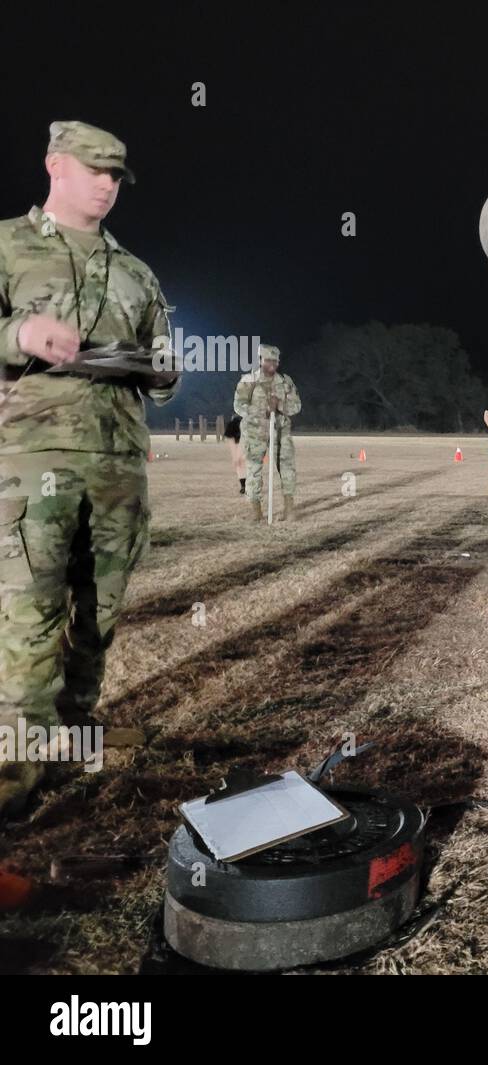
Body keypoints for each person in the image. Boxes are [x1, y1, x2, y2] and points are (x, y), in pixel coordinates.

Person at [0, 121, 179, 817]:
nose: (107, 185)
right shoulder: (9, 245)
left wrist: (162, 370)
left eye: (116, 176)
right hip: (31, 461)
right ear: (55, 166)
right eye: (95, 170)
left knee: (97, 616)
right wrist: (21, 334)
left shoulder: (136, 271)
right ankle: (15, 776)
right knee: (29, 614)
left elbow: (162, 371)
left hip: (118, 465)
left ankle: (71, 738)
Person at [233, 344, 301, 521]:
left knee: (287, 468)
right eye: (268, 360)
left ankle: (289, 509)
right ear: (260, 360)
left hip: (280, 432)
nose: (272, 364)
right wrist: (260, 411)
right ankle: (256, 512)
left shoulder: (285, 382)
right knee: (253, 470)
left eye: (275, 361)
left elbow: (296, 406)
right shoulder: (248, 381)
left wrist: (279, 405)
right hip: (255, 433)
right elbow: (239, 405)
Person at [223, 413, 246, 494]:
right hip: (248, 445)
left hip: (240, 444)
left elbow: (231, 441)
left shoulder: (232, 424)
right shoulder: (248, 422)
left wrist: (235, 457)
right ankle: (247, 485)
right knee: (245, 465)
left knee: (240, 466)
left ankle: (244, 485)